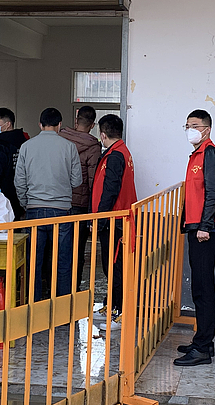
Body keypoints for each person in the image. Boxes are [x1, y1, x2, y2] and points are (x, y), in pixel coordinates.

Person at [175, 109, 215, 367]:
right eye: (187, 125)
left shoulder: (210, 153)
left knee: (203, 288)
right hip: (199, 227)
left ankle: (202, 348)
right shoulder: (199, 154)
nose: (190, 130)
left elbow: (214, 191)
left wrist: (205, 226)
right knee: (200, 286)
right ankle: (202, 341)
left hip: (207, 230)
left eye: (195, 125)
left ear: (207, 129)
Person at [15, 107, 82, 300]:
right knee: (62, 261)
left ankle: (34, 305)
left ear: (40, 124)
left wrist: (26, 203)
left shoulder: (27, 146)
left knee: (33, 262)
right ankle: (61, 305)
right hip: (61, 211)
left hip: (34, 210)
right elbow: (77, 180)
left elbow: (19, 181)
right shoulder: (69, 147)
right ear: (59, 125)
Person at [89, 114, 136, 332]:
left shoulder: (116, 155)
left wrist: (99, 219)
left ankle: (118, 311)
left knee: (115, 267)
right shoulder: (120, 151)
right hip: (115, 218)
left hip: (115, 220)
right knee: (112, 266)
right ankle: (111, 305)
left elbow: (110, 190)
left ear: (102, 134)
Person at [58, 106, 101, 289]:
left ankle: (56, 290)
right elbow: (93, 180)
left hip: (58, 202)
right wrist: (93, 210)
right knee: (77, 250)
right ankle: (73, 290)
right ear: (92, 125)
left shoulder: (60, 139)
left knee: (58, 249)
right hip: (80, 206)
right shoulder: (93, 147)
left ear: (76, 121)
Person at [0, 108, 29, 219]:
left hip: (4, 196)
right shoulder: (25, 144)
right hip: (24, 195)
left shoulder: (0, 147)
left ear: (7, 124)